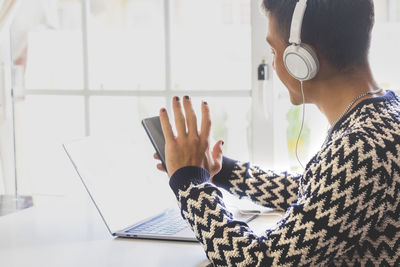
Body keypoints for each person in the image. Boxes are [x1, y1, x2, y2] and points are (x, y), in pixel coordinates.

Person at [153, 0, 400, 265]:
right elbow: (321, 195)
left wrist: (190, 182)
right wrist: (222, 170)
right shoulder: (384, 112)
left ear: (303, 60)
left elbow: (259, 261)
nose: (273, 63)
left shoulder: (361, 148)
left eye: (274, 50)